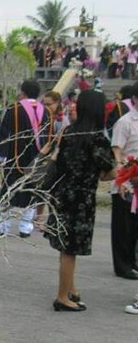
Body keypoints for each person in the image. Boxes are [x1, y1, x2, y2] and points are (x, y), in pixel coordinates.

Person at [44, 90, 116, 311]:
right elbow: (110, 171)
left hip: (62, 194)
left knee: (65, 248)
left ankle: (71, 289)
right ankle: (62, 297)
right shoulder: (98, 139)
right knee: (70, 250)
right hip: (81, 199)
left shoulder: (69, 131)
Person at [0, 79, 52, 237]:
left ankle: (3, 226)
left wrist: (0, 155)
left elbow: (4, 133)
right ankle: (25, 227)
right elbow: (49, 137)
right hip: (37, 159)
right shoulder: (46, 111)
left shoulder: (14, 109)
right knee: (32, 190)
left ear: (23, 92)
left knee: (9, 190)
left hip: (15, 157)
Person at [110, 82, 138, 279]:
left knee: (135, 227)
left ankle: (132, 261)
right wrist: (122, 179)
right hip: (127, 182)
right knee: (124, 227)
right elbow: (117, 151)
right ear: (134, 98)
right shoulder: (125, 122)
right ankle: (122, 266)